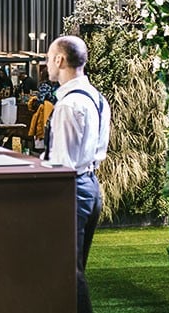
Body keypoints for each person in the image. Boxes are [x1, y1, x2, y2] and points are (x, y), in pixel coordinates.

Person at [43, 35, 111, 313]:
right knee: (74, 268)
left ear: (60, 59)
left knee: (68, 271)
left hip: (71, 190)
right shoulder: (97, 98)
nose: (47, 64)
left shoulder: (69, 104)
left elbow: (62, 163)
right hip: (90, 186)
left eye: (48, 58)